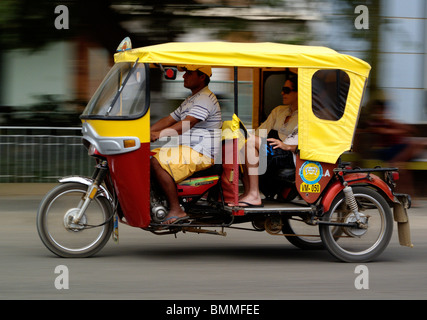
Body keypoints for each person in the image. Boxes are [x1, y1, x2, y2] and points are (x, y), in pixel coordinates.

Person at [150, 65, 222, 224]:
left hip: (201, 153)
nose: (184, 76)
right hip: (189, 150)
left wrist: (159, 134)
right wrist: (146, 132)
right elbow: (169, 120)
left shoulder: (205, 98)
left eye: (189, 73)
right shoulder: (191, 99)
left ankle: (176, 210)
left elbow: (187, 124)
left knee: (157, 162)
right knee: (147, 156)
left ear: (202, 77)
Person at [237, 75, 298, 207]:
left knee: (250, 142)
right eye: (283, 89)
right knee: (241, 142)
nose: (282, 93)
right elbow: (260, 132)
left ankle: (254, 193)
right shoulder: (279, 111)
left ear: (299, 93)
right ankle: (249, 192)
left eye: (287, 90)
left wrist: (287, 146)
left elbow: (310, 144)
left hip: (290, 154)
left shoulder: (308, 116)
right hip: (274, 149)